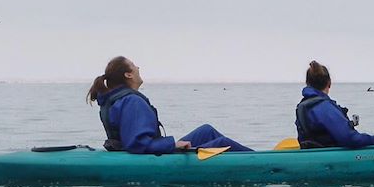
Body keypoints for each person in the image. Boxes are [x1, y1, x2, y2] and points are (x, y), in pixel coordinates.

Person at [87, 56, 252, 154]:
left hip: (147, 150)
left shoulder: (119, 99)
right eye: (133, 65)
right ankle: (262, 162)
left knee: (206, 131)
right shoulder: (132, 101)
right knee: (222, 143)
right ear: (128, 74)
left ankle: (259, 157)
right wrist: (173, 145)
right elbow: (136, 143)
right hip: (148, 156)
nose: (138, 67)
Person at [295, 61, 374, 149]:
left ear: (307, 83)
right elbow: (349, 138)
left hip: (312, 153)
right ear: (329, 83)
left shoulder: (302, 107)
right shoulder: (325, 107)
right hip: (329, 154)